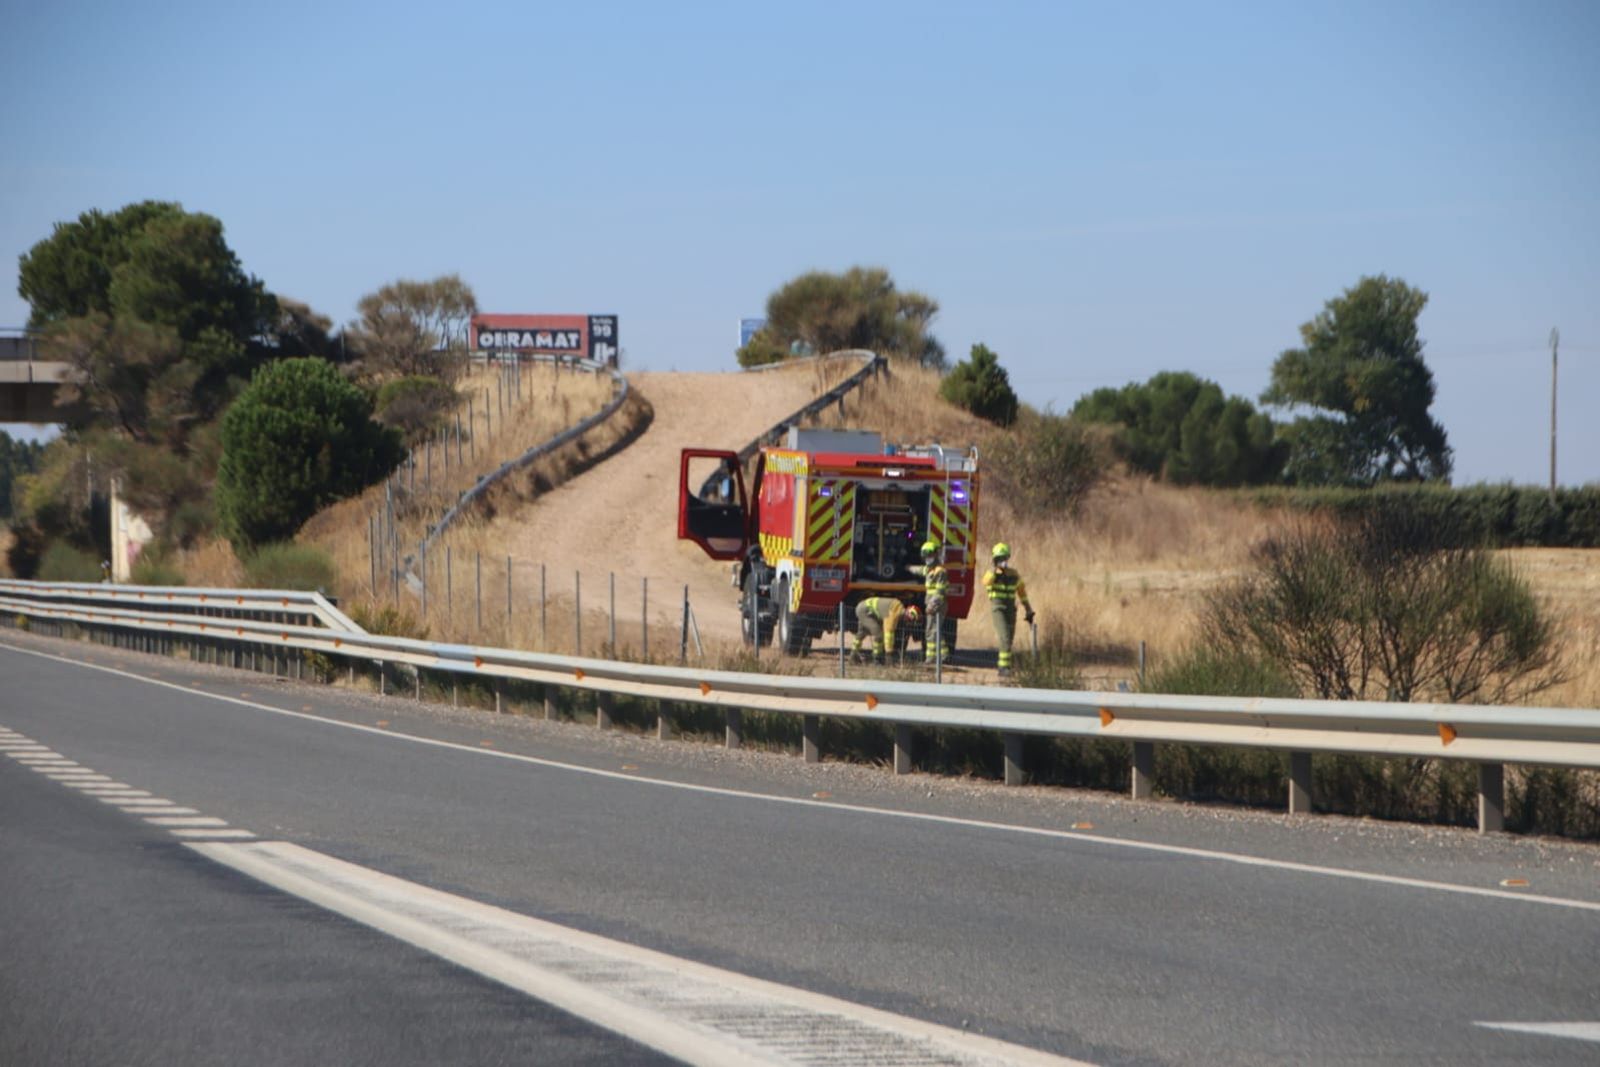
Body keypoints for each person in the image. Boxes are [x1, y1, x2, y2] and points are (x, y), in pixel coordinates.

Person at [982, 542, 1034, 677]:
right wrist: (996, 570)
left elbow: (1021, 592)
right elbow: (986, 582)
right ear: (995, 560)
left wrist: (1028, 609)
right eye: (999, 559)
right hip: (998, 609)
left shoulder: (1013, 574)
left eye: (1004, 558)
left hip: (1011, 609)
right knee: (1004, 637)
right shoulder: (991, 574)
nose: (1003, 561)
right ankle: (1004, 667)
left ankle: (1004, 665)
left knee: (1009, 639)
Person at [852, 598, 920, 665]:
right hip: (864, 611)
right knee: (879, 635)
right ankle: (877, 659)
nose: (909, 622)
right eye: (911, 620)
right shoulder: (893, 613)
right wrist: (889, 654)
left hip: (865, 608)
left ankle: (853, 656)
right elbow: (889, 634)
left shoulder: (897, 609)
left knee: (861, 633)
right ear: (909, 614)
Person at [912, 539, 949, 664]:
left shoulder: (940, 571)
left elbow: (940, 592)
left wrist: (932, 605)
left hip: (937, 605)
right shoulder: (929, 569)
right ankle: (944, 654)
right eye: (925, 556)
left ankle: (931, 658)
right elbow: (919, 570)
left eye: (930, 555)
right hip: (932, 604)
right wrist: (907, 568)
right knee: (936, 630)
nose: (928, 558)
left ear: (935, 555)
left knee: (930, 631)